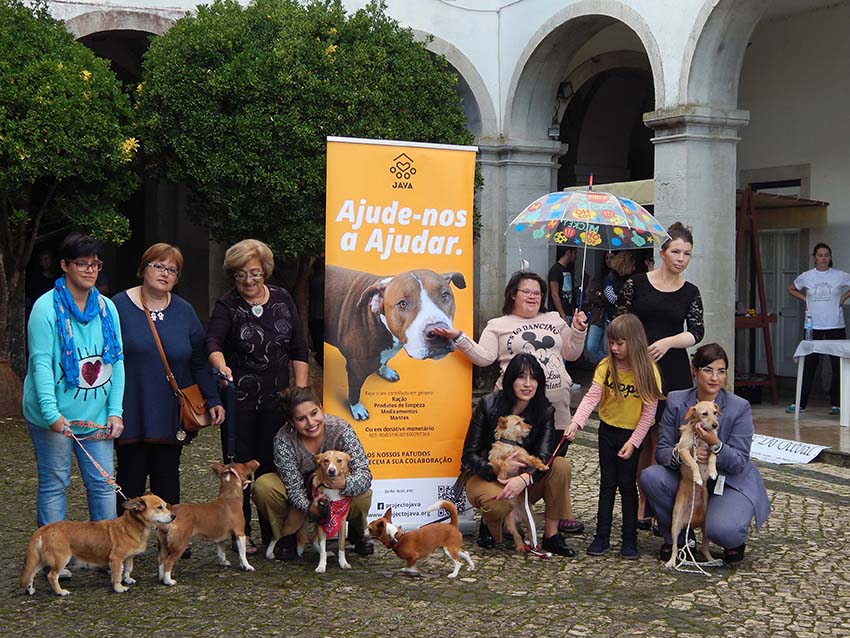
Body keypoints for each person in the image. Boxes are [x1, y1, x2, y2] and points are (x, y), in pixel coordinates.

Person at [434, 270, 587, 535]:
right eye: (526, 291)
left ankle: (556, 515)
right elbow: (483, 357)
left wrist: (577, 330)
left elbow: (571, 353)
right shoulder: (498, 324)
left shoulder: (554, 319)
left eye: (538, 292)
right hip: (514, 416)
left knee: (550, 464)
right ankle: (507, 514)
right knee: (511, 463)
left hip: (554, 411)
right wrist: (458, 337)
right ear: (513, 294)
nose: (533, 296)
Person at [206, 239, 310, 555]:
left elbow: (298, 346)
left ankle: (275, 533)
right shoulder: (228, 304)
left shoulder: (281, 298)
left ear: (264, 270)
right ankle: (241, 531)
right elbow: (212, 341)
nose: (249, 281)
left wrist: (299, 392)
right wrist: (221, 365)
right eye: (241, 275)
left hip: (277, 401)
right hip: (239, 401)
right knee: (236, 470)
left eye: (254, 273)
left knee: (273, 466)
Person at [23, 233, 125, 528]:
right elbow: (40, 362)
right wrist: (51, 414)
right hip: (54, 416)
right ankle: (54, 556)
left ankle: (107, 553)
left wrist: (115, 410)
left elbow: (116, 360)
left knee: (104, 484)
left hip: (96, 416)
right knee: (56, 482)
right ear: (65, 265)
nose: (90, 270)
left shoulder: (107, 308)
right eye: (82, 264)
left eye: (95, 264)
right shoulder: (46, 308)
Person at [113, 243, 225, 511]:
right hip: (131, 407)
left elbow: (198, 360)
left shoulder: (184, 311)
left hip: (170, 410)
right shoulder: (117, 306)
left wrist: (212, 399)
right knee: (130, 477)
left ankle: (171, 541)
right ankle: (126, 544)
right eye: (158, 266)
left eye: (172, 270)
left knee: (168, 476)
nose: (165, 273)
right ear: (143, 269)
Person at [639, 343, 771, 563]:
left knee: (724, 530)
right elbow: (661, 451)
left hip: (727, 482)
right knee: (651, 477)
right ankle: (680, 539)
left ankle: (731, 538)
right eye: (708, 370)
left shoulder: (739, 407)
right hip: (689, 476)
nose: (714, 378)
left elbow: (739, 462)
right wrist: (684, 454)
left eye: (721, 371)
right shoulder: (677, 400)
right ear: (695, 370)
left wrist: (716, 445)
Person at [617, 222, 704, 527]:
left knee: (664, 438)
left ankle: (660, 504)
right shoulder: (637, 283)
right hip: (639, 367)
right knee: (640, 436)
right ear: (663, 252)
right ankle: (641, 502)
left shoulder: (690, 291)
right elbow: (621, 323)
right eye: (676, 251)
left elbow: (696, 332)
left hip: (674, 369)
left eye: (687, 253)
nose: (681, 258)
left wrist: (668, 342)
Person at [564, 314, 663, 559]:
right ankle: (602, 536)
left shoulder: (648, 371)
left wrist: (634, 442)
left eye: (620, 343)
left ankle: (630, 540)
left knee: (628, 486)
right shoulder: (606, 367)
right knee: (607, 484)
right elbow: (591, 397)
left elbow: (650, 412)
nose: (614, 348)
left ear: (635, 342)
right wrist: (577, 422)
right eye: (612, 343)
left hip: (632, 434)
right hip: (608, 430)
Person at [459, 353, 577, 557]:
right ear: (510, 379)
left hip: (525, 479)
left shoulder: (545, 410)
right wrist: (496, 468)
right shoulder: (488, 404)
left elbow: (544, 454)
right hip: (486, 476)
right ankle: (490, 524)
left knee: (560, 466)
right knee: (497, 506)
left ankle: (552, 534)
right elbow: (469, 456)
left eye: (533, 378)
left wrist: (524, 477)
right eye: (521, 377)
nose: (528, 384)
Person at [251, 387, 373, 560]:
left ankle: (356, 530)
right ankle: (286, 535)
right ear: (291, 423)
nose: (310, 422)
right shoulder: (284, 439)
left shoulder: (341, 429)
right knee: (263, 487)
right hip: (303, 491)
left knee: (363, 492)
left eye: (314, 413)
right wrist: (310, 507)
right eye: (301, 419)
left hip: (339, 492)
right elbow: (293, 488)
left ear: (321, 408)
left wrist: (345, 484)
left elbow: (364, 473)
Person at [786, 242, 850, 415]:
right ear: (815, 257)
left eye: (827, 255)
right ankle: (800, 402)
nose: (824, 258)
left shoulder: (839, 275)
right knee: (809, 364)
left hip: (835, 324)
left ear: (830, 257)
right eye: (820, 255)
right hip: (813, 325)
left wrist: (843, 298)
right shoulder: (807, 276)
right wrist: (805, 299)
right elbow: (791, 288)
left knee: (838, 365)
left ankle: (837, 403)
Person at [547, 246, 579, 321]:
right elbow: (554, 294)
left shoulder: (568, 269)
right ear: (568, 253)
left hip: (569, 311)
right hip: (558, 314)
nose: (576, 256)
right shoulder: (555, 270)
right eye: (575, 253)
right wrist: (563, 315)